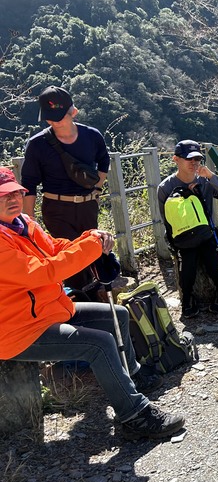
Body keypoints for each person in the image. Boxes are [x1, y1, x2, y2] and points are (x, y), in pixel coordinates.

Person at [0, 166, 185, 440]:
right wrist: (91, 248)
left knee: (118, 316)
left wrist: (89, 238)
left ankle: (131, 376)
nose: (13, 199)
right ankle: (134, 415)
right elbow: (44, 272)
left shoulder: (24, 223)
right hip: (18, 331)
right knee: (98, 344)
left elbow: (55, 248)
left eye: (15, 192)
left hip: (47, 312)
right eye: (4, 196)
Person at [21, 86, 110, 291]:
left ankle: (97, 301)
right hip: (56, 209)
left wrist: (97, 190)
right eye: (50, 117)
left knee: (93, 251)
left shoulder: (92, 136)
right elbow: (29, 183)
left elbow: (104, 161)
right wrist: (29, 219)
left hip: (88, 205)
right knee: (71, 259)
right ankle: (80, 305)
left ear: (73, 112)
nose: (55, 121)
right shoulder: (37, 144)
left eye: (60, 115)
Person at [158, 140, 218, 318]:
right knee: (187, 270)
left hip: (206, 232)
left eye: (198, 159)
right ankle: (187, 299)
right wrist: (172, 242)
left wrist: (211, 177)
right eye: (189, 159)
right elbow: (166, 219)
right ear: (176, 159)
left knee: (216, 265)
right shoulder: (165, 187)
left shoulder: (205, 181)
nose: (194, 163)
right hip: (182, 235)